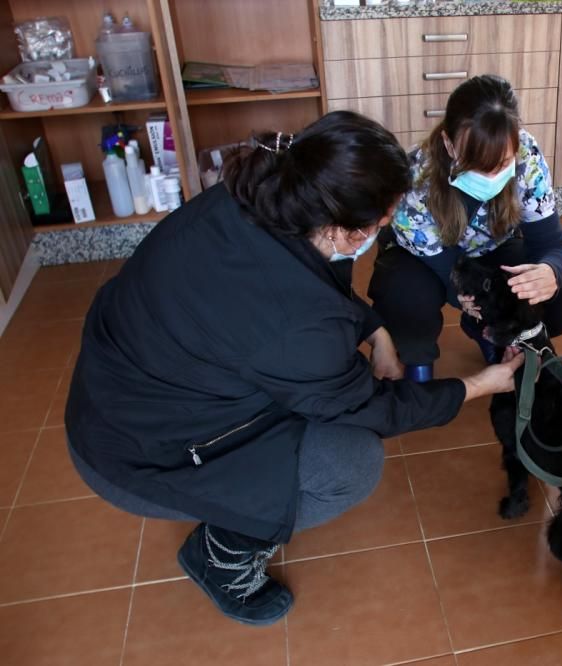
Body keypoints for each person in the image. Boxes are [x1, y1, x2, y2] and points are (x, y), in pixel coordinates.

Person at [64, 111, 523, 626]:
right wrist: (478, 385)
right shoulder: (297, 326)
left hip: (119, 392)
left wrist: (375, 329)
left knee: (317, 390)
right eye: (383, 221)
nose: (387, 227)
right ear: (343, 230)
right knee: (351, 463)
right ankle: (222, 555)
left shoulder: (261, 194)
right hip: (139, 451)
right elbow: (369, 407)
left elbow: (312, 287)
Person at [368, 75, 562, 381]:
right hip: (426, 261)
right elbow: (449, 273)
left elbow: (553, 245)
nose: (492, 174)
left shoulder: (527, 157)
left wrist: (551, 272)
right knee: (405, 298)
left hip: (494, 249)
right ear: (448, 143)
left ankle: (489, 335)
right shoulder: (416, 177)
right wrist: (475, 302)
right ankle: (418, 364)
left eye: (502, 161)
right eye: (477, 164)